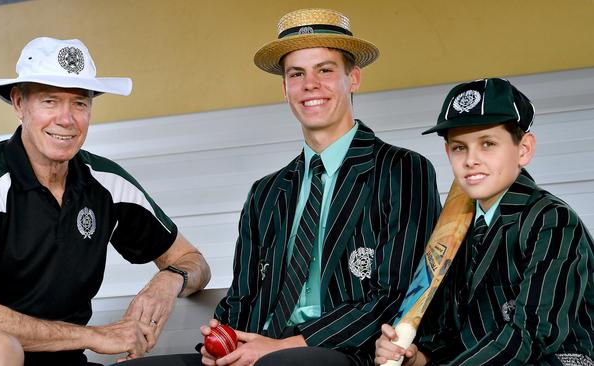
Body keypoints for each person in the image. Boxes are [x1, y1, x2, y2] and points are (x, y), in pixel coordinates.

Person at [195, 8, 440, 366]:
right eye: (297, 74)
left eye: (325, 70)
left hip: (349, 351)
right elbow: (243, 296)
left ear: (353, 78)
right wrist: (223, 343)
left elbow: (394, 295)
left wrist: (283, 347)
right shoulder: (265, 193)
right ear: (285, 88)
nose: (310, 85)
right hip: (262, 349)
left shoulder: (402, 169)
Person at [0, 37, 211, 366]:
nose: (66, 119)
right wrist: (96, 336)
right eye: (50, 101)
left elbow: (193, 261)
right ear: (18, 103)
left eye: (80, 103)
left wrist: (168, 280)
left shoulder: (106, 183)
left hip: (66, 361)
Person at [374, 78, 594, 365]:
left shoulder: (551, 220)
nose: (471, 160)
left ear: (524, 148)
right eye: (459, 147)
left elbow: (533, 334)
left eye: (488, 144)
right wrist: (416, 357)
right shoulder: (453, 232)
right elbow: (454, 334)